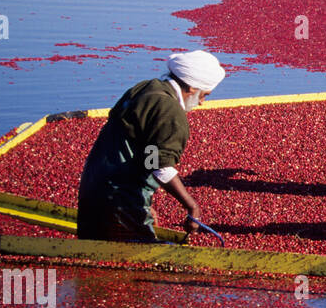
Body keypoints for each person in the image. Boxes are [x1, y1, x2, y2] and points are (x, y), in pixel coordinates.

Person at [77, 50, 225, 242]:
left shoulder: (146, 88)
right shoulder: (169, 111)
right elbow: (160, 166)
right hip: (119, 197)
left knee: (95, 248)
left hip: (94, 187)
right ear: (191, 88)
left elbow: (147, 153)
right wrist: (192, 206)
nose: (202, 103)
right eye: (204, 95)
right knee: (131, 262)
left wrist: (144, 202)